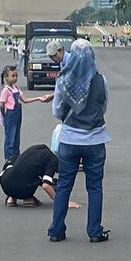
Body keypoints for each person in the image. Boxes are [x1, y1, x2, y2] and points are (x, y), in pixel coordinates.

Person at [48, 39, 111, 244]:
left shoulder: (63, 80)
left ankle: (56, 230)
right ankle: (94, 231)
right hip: (95, 140)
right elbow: (103, 108)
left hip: (69, 140)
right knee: (94, 187)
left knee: (64, 185)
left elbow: (57, 111)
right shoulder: (101, 80)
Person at [0, 142, 81, 209]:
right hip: (24, 190)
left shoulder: (39, 149)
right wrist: (62, 202)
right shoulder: (53, 160)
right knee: (38, 178)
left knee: (13, 161)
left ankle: (12, 198)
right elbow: (46, 185)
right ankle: (27, 198)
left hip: (5, 185)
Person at [0, 66, 47, 161]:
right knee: (10, 140)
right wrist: (4, 116)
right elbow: (1, 105)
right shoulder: (5, 90)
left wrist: (38, 98)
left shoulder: (16, 88)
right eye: (12, 76)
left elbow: (24, 99)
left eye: (16, 76)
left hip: (17, 115)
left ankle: (16, 159)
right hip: (10, 115)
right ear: (6, 77)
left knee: (16, 139)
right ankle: (9, 160)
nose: (15, 78)